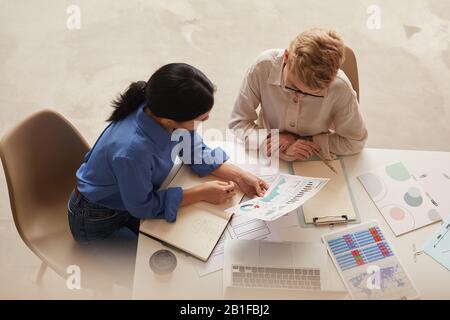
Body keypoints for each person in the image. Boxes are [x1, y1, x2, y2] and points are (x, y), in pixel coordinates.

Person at [68, 63, 268, 244]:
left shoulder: (157, 107)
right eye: (201, 119)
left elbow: (195, 151)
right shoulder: (132, 152)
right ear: (169, 121)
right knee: (151, 273)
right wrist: (202, 193)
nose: (207, 118)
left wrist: (241, 176)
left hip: (128, 201)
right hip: (98, 219)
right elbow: (143, 206)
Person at [228, 28, 368, 161]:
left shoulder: (340, 87)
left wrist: (302, 142)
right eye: (293, 86)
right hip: (269, 153)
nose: (298, 96)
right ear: (287, 57)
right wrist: (271, 141)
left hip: (316, 158)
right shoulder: (262, 67)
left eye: (313, 94)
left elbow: (355, 141)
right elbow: (238, 122)